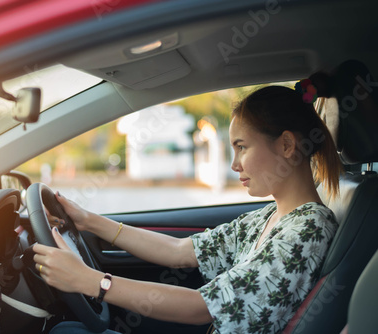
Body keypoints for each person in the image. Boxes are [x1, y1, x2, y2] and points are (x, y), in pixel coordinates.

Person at [33, 80, 342, 333]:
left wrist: (91, 281)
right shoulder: (270, 217)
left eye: (242, 148)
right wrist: (87, 220)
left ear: (286, 145)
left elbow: (201, 307)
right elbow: (180, 251)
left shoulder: (309, 230)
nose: (234, 165)